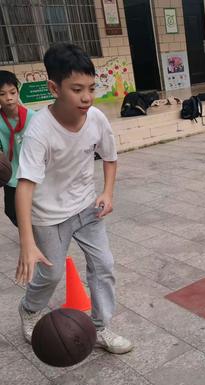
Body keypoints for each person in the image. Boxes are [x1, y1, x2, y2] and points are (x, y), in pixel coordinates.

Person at [15, 43, 132, 354]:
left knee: (104, 265)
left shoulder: (96, 118)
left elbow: (110, 156)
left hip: (86, 207)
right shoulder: (39, 131)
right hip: (49, 215)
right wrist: (27, 242)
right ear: (54, 87)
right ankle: (29, 309)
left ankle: (101, 327)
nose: (87, 97)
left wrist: (107, 191)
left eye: (91, 88)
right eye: (77, 89)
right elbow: (24, 186)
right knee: (51, 274)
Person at [0, 71, 36, 226]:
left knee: (36, 210)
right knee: (11, 211)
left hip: (31, 173)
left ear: (17, 91)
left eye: (12, 92)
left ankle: (35, 237)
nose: (9, 98)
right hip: (11, 175)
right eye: (2, 94)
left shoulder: (32, 117)